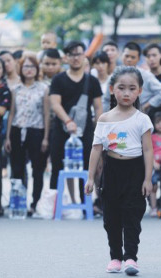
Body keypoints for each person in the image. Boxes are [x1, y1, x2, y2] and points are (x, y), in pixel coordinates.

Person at [84, 66, 154, 276]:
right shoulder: (105, 119)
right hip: (111, 172)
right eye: (121, 88)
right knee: (111, 218)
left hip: (135, 171)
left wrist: (148, 179)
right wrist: (90, 177)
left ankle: (131, 257)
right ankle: (115, 257)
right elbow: (96, 149)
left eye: (132, 88)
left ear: (139, 91)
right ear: (112, 89)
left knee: (132, 216)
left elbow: (148, 150)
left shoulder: (142, 119)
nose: (126, 93)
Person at [49, 41, 103, 196]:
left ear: (84, 56)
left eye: (78, 54)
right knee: (57, 167)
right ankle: (54, 203)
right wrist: (67, 121)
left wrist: (98, 129)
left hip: (85, 130)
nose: (75, 58)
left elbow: (98, 107)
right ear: (66, 58)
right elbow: (55, 104)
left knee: (86, 167)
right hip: (61, 130)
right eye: (71, 55)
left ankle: (83, 203)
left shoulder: (92, 81)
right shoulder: (58, 79)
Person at [5, 55, 49, 216]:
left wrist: (45, 137)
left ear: (37, 69)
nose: (28, 69)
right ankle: (18, 203)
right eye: (25, 66)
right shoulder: (15, 89)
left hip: (36, 130)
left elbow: (46, 114)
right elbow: (11, 114)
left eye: (32, 66)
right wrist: (8, 136)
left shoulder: (43, 88)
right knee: (17, 168)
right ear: (21, 69)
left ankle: (34, 203)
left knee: (37, 169)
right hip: (17, 130)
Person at [102, 42, 161, 113]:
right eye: (127, 56)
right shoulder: (114, 76)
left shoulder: (146, 76)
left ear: (138, 59)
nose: (129, 59)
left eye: (133, 57)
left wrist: (146, 106)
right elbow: (106, 99)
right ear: (121, 56)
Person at [150, 111, 161, 217]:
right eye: (157, 122)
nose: (160, 125)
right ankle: (153, 207)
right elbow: (149, 151)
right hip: (156, 165)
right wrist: (153, 163)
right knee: (153, 185)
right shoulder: (152, 137)